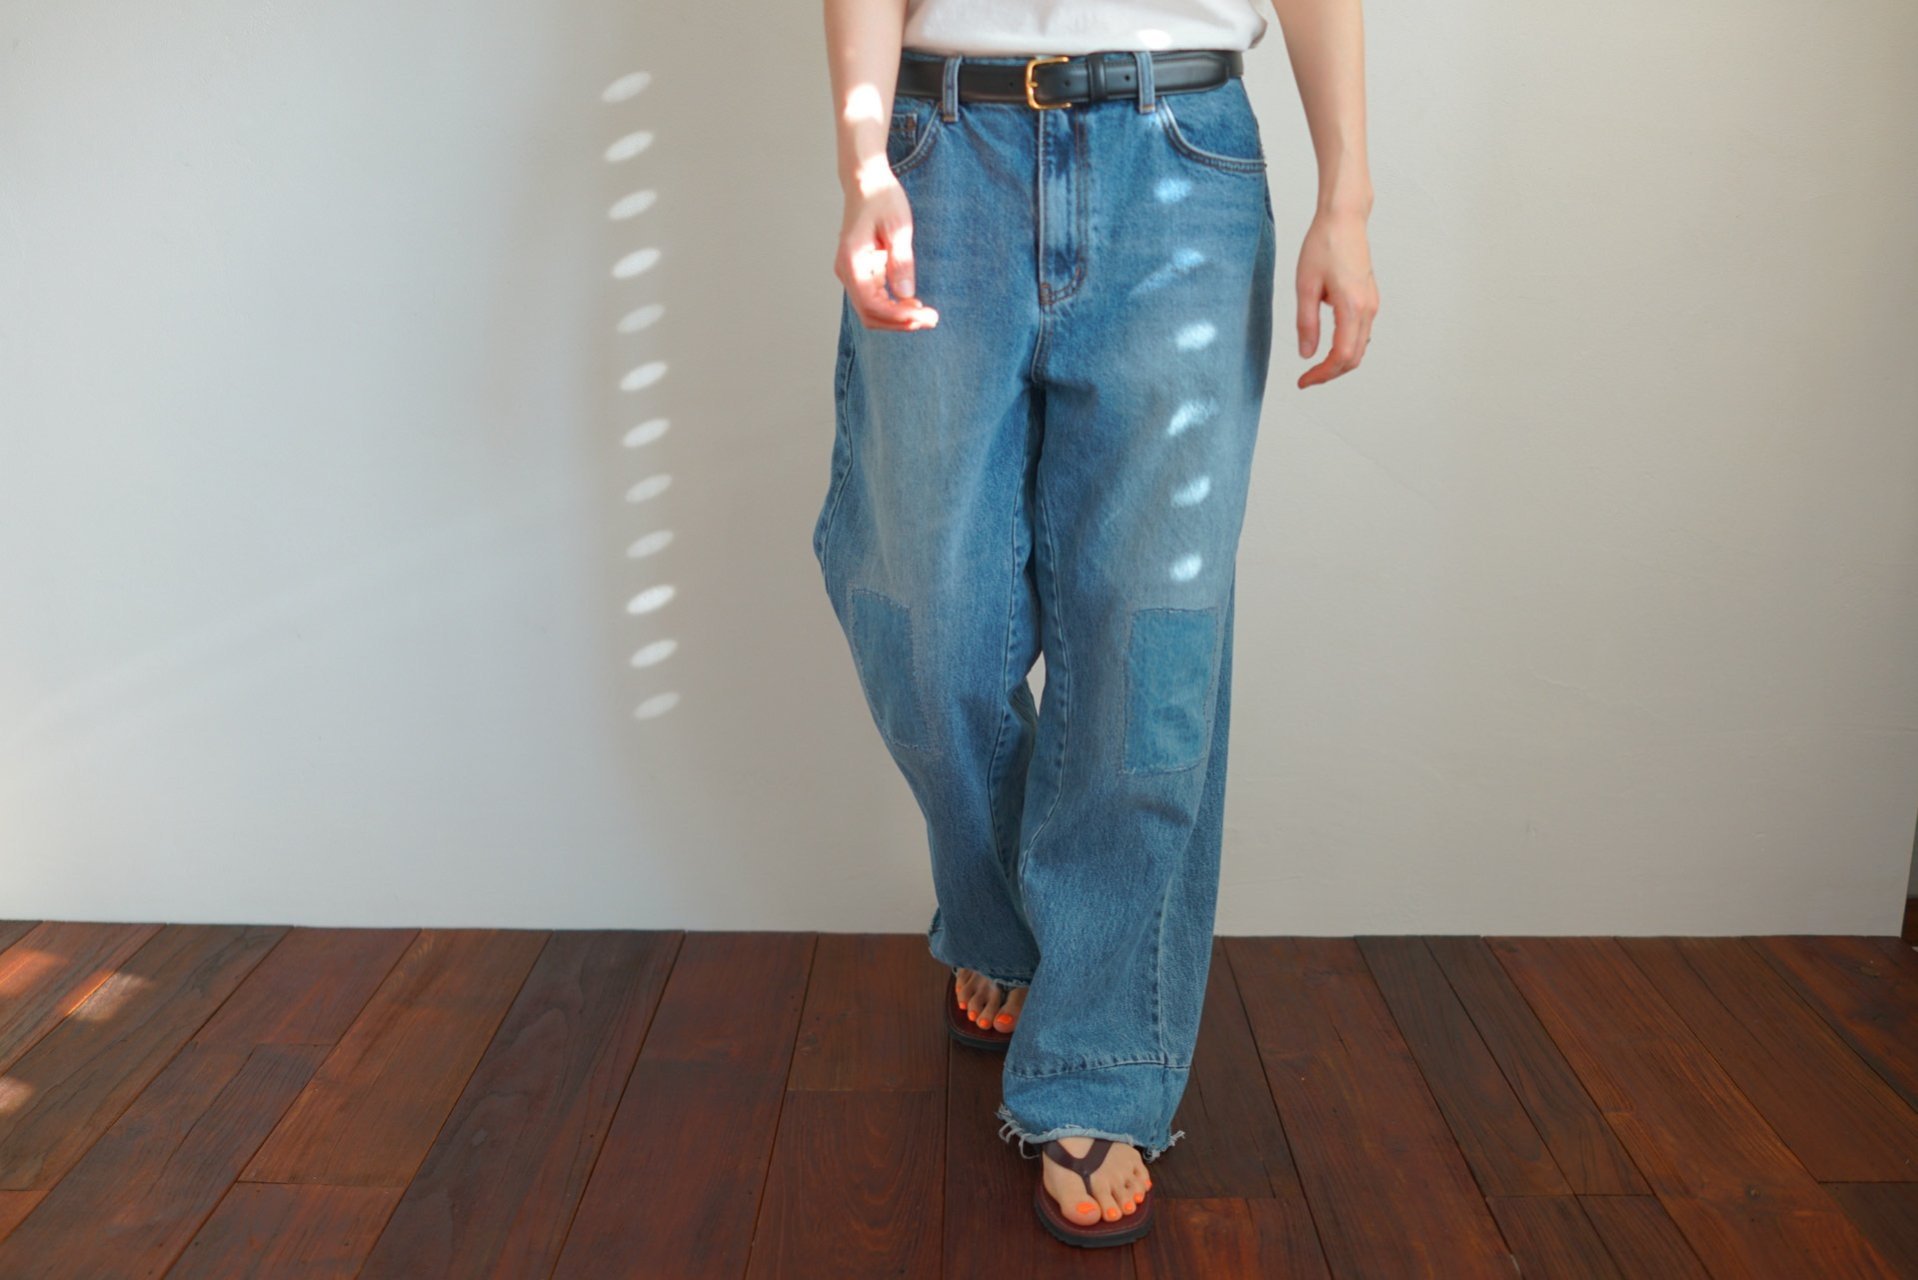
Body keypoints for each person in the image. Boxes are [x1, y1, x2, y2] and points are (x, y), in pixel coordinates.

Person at [814, 0, 1376, 1249]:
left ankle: (1099, 1060)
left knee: (1148, 638)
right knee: (924, 626)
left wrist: (1346, 196)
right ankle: (1008, 925)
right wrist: (862, 169)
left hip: (1178, 159)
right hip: (941, 148)